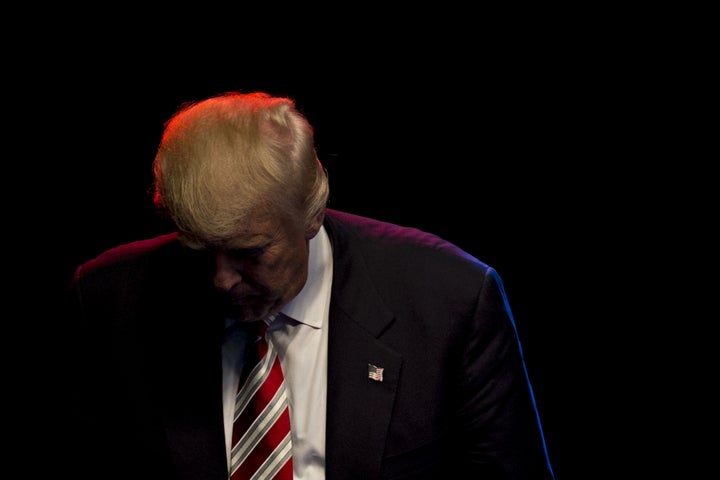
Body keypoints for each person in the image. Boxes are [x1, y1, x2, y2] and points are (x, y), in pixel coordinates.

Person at [63, 91, 555, 480]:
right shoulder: (107, 298)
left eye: (251, 251)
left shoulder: (450, 300)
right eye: (198, 248)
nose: (221, 279)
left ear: (312, 212)